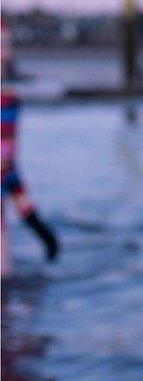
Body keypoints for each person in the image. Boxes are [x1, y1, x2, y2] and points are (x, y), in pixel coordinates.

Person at [1, 22, 59, 277]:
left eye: (6, 43)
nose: (5, 50)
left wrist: (38, 226)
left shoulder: (13, 95)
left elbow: (8, 166)